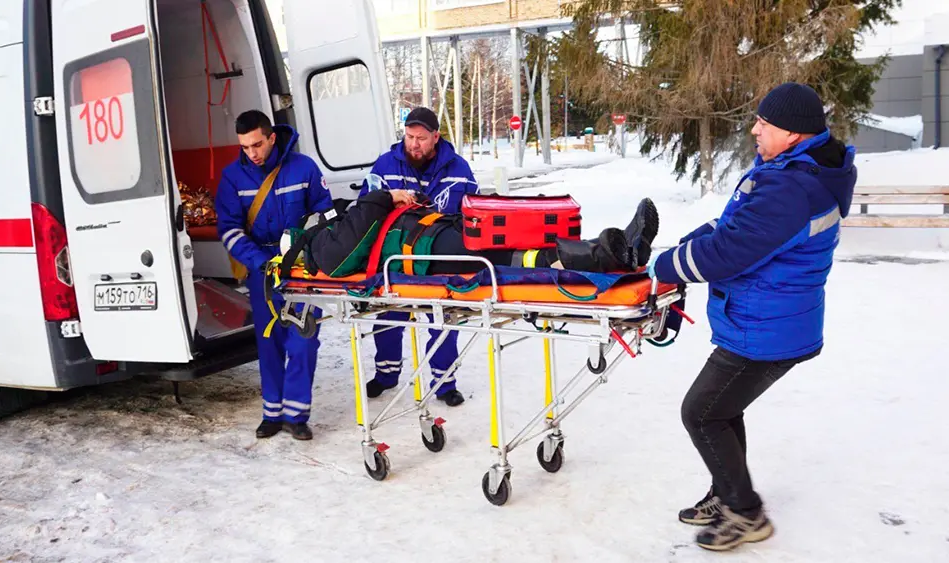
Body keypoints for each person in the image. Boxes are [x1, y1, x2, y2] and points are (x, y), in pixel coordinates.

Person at [645, 83, 857, 551]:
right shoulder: (793, 171)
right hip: (765, 320)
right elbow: (733, 227)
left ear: (795, 135)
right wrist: (682, 248)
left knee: (701, 413)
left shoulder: (792, 186)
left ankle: (745, 512)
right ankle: (727, 493)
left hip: (767, 329)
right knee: (722, 408)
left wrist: (662, 267)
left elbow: (729, 252)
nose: (755, 128)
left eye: (766, 123)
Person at [215, 110, 334, 441]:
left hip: (303, 267)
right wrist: (260, 261)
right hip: (262, 270)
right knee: (269, 341)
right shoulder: (232, 178)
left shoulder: (304, 167)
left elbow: (326, 213)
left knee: (304, 339)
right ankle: (272, 414)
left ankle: (297, 415)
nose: (251, 153)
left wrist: (309, 247)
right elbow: (229, 229)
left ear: (271, 137)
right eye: (244, 147)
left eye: (257, 144)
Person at [357, 107, 479, 407]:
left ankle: (444, 382)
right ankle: (386, 375)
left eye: (421, 138)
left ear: (436, 137)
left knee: (444, 322)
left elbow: (475, 217)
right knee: (387, 319)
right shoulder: (385, 165)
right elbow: (364, 207)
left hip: (440, 262)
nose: (414, 143)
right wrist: (389, 198)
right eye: (409, 136)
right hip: (395, 261)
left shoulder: (459, 169)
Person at [279, 188, 660, 282]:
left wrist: (402, 201)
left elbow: (367, 218)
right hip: (423, 253)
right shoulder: (320, 251)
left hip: (430, 234)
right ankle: (604, 255)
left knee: (512, 242)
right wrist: (381, 198)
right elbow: (343, 257)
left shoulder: (331, 225)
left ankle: (612, 249)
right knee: (502, 254)